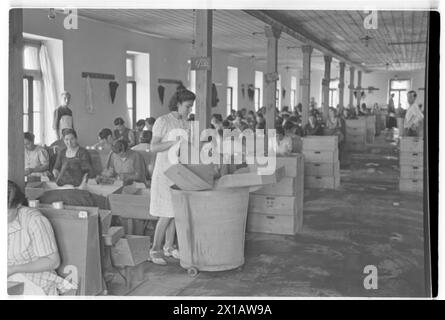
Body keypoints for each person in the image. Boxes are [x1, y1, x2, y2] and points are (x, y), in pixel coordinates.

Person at [149, 88, 195, 265]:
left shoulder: (185, 122)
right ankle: (155, 249)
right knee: (165, 214)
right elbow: (154, 147)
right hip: (164, 172)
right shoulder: (163, 121)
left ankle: (168, 247)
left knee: (175, 212)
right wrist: (174, 143)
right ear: (177, 103)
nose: (189, 110)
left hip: (178, 171)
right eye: (187, 107)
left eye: (191, 107)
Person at [7, 180, 75, 295]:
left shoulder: (34, 221)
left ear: (18, 205)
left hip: (35, 281)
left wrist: (14, 269)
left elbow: (53, 262)